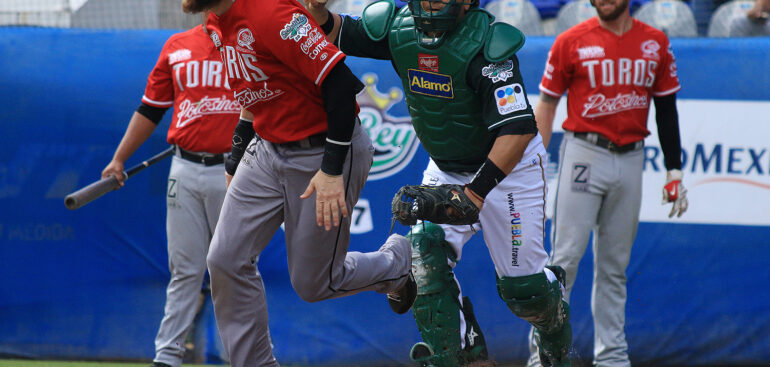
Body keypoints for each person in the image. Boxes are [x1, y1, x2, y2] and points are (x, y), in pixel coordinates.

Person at [303, 0, 573, 366]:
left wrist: (475, 193)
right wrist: (316, 10)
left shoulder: (488, 44)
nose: (432, 2)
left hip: (508, 170)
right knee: (421, 257)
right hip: (447, 168)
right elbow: (337, 31)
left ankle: (553, 317)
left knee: (524, 293)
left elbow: (517, 129)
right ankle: (464, 356)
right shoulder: (398, 29)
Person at [179, 0, 416, 366]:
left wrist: (332, 170)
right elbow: (256, 92)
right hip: (267, 148)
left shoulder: (272, 13)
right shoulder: (219, 20)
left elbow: (339, 86)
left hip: (323, 150)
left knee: (315, 284)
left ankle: (397, 264)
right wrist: (237, 152)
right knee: (224, 259)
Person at [528, 0, 688, 365]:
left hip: (632, 156)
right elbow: (548, 103)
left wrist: (674, 169)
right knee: (563, 261)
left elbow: (666, 108)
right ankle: (543, 356)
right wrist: (532, 161)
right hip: (585, 152)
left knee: (615, 267)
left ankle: (612, 357)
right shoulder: (570, 40)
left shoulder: (656, 42)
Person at [100, 18, 239, 367]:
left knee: (235, 268)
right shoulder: (178, 45)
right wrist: (119, 159)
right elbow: (151, 107)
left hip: (236, 170)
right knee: (185, 270)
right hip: (186, 168)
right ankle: (167, 357)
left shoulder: (251, 40)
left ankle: (243, 355)